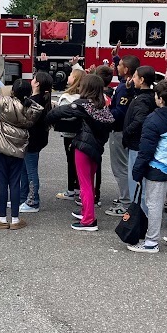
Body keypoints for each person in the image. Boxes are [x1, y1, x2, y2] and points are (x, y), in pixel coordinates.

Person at [0, 64, 43, 230]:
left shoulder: (4, 104)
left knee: (2, 182)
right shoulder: (32, 110)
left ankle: (1, 218)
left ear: (12, 91)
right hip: (19, 149)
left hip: (1, 147)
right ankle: (15, 219)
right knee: (15, 182)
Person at [127, 79, 167, 254]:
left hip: (156, 168)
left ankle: (151, 242)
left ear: (160, 98)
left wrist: (137, 171)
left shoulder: (153, 120)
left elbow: (145, 150)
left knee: (154, 204)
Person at [46, 74, 115, 232]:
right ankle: (86, 211)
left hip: (83, 147)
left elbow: (59, 113)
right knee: (89, 182)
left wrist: (47, 120)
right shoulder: (102, 105)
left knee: (84, 184)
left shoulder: (82, 105)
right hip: (96, 147)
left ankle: (89, 220)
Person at [104, 48, 140, 218]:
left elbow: (120, 111)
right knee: (124, 166)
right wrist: (116, 56)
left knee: (120, 168)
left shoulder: (125, 89)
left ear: (126, 70)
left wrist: (103, 114)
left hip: (118, 131)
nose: (116, 67)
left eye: (119, 65)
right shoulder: (128, 83)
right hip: (122, 131)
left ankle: (126, 202)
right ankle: (126, 198)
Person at [122, 65, 157, 212]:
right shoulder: (151, 95)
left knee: (135, 180)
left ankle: (138, 213)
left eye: (135, 76)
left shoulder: (142, 100)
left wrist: (127, 132)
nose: (133, 78)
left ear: (142, 80)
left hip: (137, 143)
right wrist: (131, 89)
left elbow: (139, 119)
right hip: (144, 142)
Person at [19, 69, 53, 213]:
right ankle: (23, 197)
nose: (31, 80)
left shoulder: (34, 101)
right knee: (25, 169)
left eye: (34, 78)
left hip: (32, 140)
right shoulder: (42, 99)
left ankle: (33, 201)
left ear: (37, 83)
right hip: (35, 140)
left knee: (31, 171)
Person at [52, 67, 84, 201]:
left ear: (75, 79)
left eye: (71, 74)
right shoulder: (82, 96)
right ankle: (78, 187)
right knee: (78, 162)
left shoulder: (68, 97)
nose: (68, 76)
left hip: (69, 134)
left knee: (71, 162)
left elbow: (62, 113)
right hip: (80, 133)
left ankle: (71, 190)